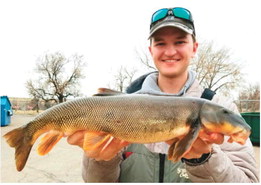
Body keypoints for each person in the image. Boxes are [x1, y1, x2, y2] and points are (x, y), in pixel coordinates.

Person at [67, 7, 259, 182]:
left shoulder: (222, 108)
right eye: (160, 43)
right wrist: (100, 159)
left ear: (194, 48)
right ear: (151, 50)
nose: (170, 51)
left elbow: (248, 180)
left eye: (180, 41)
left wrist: (204, 159)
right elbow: (96, 181)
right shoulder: (119, 107)